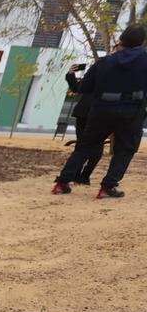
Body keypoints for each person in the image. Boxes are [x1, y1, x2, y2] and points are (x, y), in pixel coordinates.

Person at [54, 25, 147, 198]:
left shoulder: (103, 62)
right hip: (132, 112)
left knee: (84, 146)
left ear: (121, 41)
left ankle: (62, 183)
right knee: (125, 150)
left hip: (101, 110)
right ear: (141, 42)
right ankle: (107, 187)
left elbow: (85, 87)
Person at [64, 62, 102, 184]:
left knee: (93, 146)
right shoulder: (95, 75)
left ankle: (83, 175)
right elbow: (77, 88)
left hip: (97, 113)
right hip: (87, 113)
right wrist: (71, 75)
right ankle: (77, 175)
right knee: (85, 145)